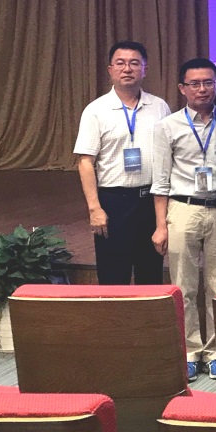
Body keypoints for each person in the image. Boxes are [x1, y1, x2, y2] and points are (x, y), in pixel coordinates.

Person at [152, 58, 216, 382]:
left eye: (208, 82)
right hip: (182, 208)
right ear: (182, 88)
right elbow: (160, 180)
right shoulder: (167, 126)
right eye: (194, 83)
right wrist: (161, 225)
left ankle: (215, 352)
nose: (202, 89)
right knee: (183, 285)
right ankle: (189, 351)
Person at [74, 40, 171, 284]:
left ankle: (148, 312)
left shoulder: (159, 107)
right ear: (110, 69)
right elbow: (85, 161)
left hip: (151, 201)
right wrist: (95, 208)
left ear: (145, 70)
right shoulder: (96, 110)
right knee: (113, 277)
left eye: (134, 63)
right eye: (120, 63)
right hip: (113, 203)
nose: (127, 68)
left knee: (151, 275)